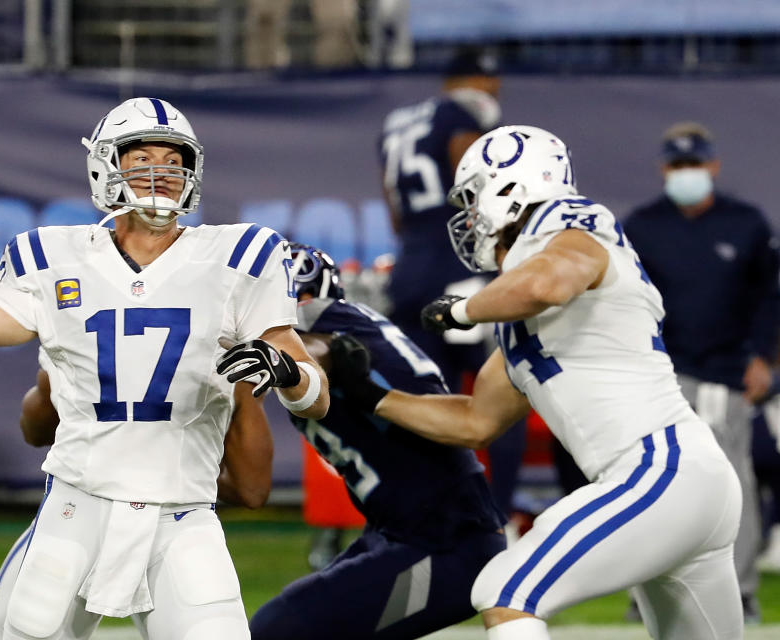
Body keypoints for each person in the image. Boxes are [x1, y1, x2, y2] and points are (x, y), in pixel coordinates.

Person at [0, 97, 329, 640]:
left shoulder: (240, 254)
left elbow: (315, 395)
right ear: (105, 166)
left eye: (174, 159)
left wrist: (286, 371)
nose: (161, 172)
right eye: (142, 157)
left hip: (181, 514)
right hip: (78, 507)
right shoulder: (51, 257)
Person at [330, 124, 744, 639]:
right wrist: (373, 395)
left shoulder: (570, 223)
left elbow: (550, 280)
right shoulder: (522, 315)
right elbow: (476, 420)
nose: (469, 216)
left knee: (505, 592)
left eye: (473, 196)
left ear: (512, 187)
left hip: (658, 469)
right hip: (681, 482)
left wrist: (461, 310)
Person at [249, 243, 506, 639]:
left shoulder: (327, 333)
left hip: (445, 543)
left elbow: (325, 349)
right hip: (405, 533)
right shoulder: (352, 323)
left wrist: (282, 361)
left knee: (278, 630)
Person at [0, 358, 275, 640]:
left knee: (26, 625)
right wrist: (168, 472)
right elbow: (251, 489)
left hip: (99, 513)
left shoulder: (82, 319)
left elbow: (34, 430)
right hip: (123, 513)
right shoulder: (224, 330)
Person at [623, 122, 780, 622]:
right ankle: (645, 588)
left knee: (730, 482)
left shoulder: (747, 223)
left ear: (713, 165)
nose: (686, 173)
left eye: (694, 164)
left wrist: (763, 358)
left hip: (724, 371)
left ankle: (741, 589)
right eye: (677, 165)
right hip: (658, 372)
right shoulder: (641, 226)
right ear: (662, 169)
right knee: (649, 480)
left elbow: (771, 299)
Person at [379, 47, 525, 522]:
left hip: (412, 272)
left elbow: (396, 211)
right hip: (461, 273)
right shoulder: (462, 115)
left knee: (423, 403)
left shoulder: (397, 122)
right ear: (478, 82)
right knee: (501, 399)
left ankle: (425, 515)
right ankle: (496, 520)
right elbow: (474, 187)